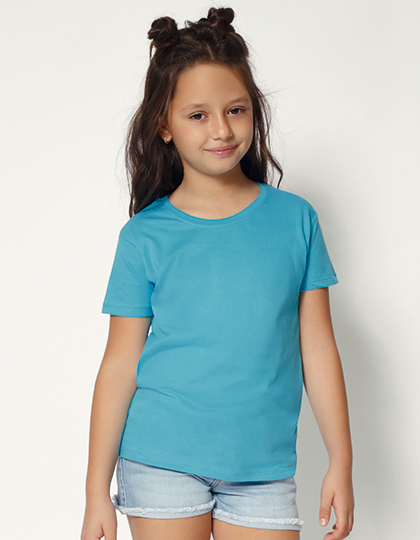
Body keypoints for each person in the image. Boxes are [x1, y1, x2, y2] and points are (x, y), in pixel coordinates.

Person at [81, 7, 354, 540]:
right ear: (164, 126)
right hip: (159, 460)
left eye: (236, 109)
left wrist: (340, 461)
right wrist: (96, 491)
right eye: (198, 115)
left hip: (263, 468)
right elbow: (119, 365)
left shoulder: (295, 220)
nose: (222, 130)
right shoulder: (144, 236)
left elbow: (318, 346)